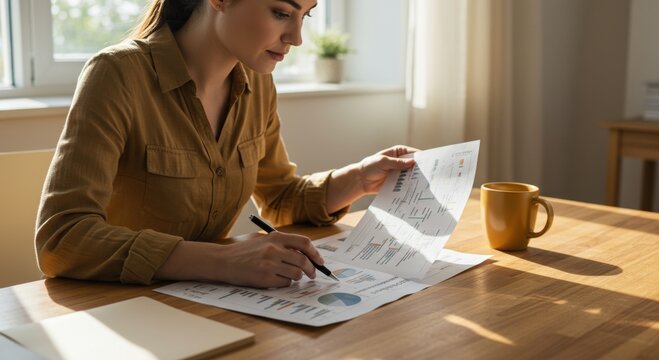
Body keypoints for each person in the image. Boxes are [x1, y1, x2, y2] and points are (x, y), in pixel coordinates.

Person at [35, 0, 416, 288]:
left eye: (306, 15)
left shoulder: (257, 81)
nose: (297, 38)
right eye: (281, 12)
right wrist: (221, 260)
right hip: (124, 312)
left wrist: (359, 178)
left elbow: (281, 199)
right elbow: (63, 236)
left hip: (216, 307)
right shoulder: (118, 75)